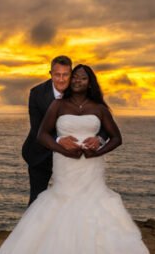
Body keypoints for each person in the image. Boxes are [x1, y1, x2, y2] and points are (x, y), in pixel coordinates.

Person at [0, 64, 155, 254]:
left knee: (94, 209)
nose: (78, 80)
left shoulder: (99, 109)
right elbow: (42, 135)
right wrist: (63, 149)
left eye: (83, 77)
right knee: (61, 205)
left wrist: (96, 151)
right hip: (65, 167)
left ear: (90, 82)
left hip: (91, 169)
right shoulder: (58, 106)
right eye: (75, 77)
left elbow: (117, 137)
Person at [21, 55, 101, 205]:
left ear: (71, 75)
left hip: (72, 157)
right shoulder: (37, 94)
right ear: (51, 74)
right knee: (37, 200)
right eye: (57, 74)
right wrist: (59, 140)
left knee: (73, 199)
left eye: (66, 75)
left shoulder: (81, 91)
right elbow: (37, 128)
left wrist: (99, 139)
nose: (62, 79)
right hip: (40, 154)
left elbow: (99, 121)